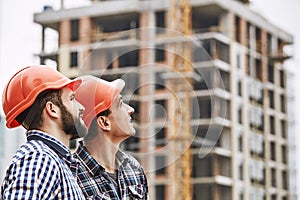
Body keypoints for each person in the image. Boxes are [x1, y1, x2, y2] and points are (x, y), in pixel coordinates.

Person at [0, 65, 88, 199]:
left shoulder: (53, 161)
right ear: (52, 109)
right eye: (71, 99)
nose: (81, 107)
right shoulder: (39, 159)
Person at [73, 75, 148, 199]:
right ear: (104, 123)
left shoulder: (134, 168)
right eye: (120, 104)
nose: (130, 109)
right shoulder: (71, 175)